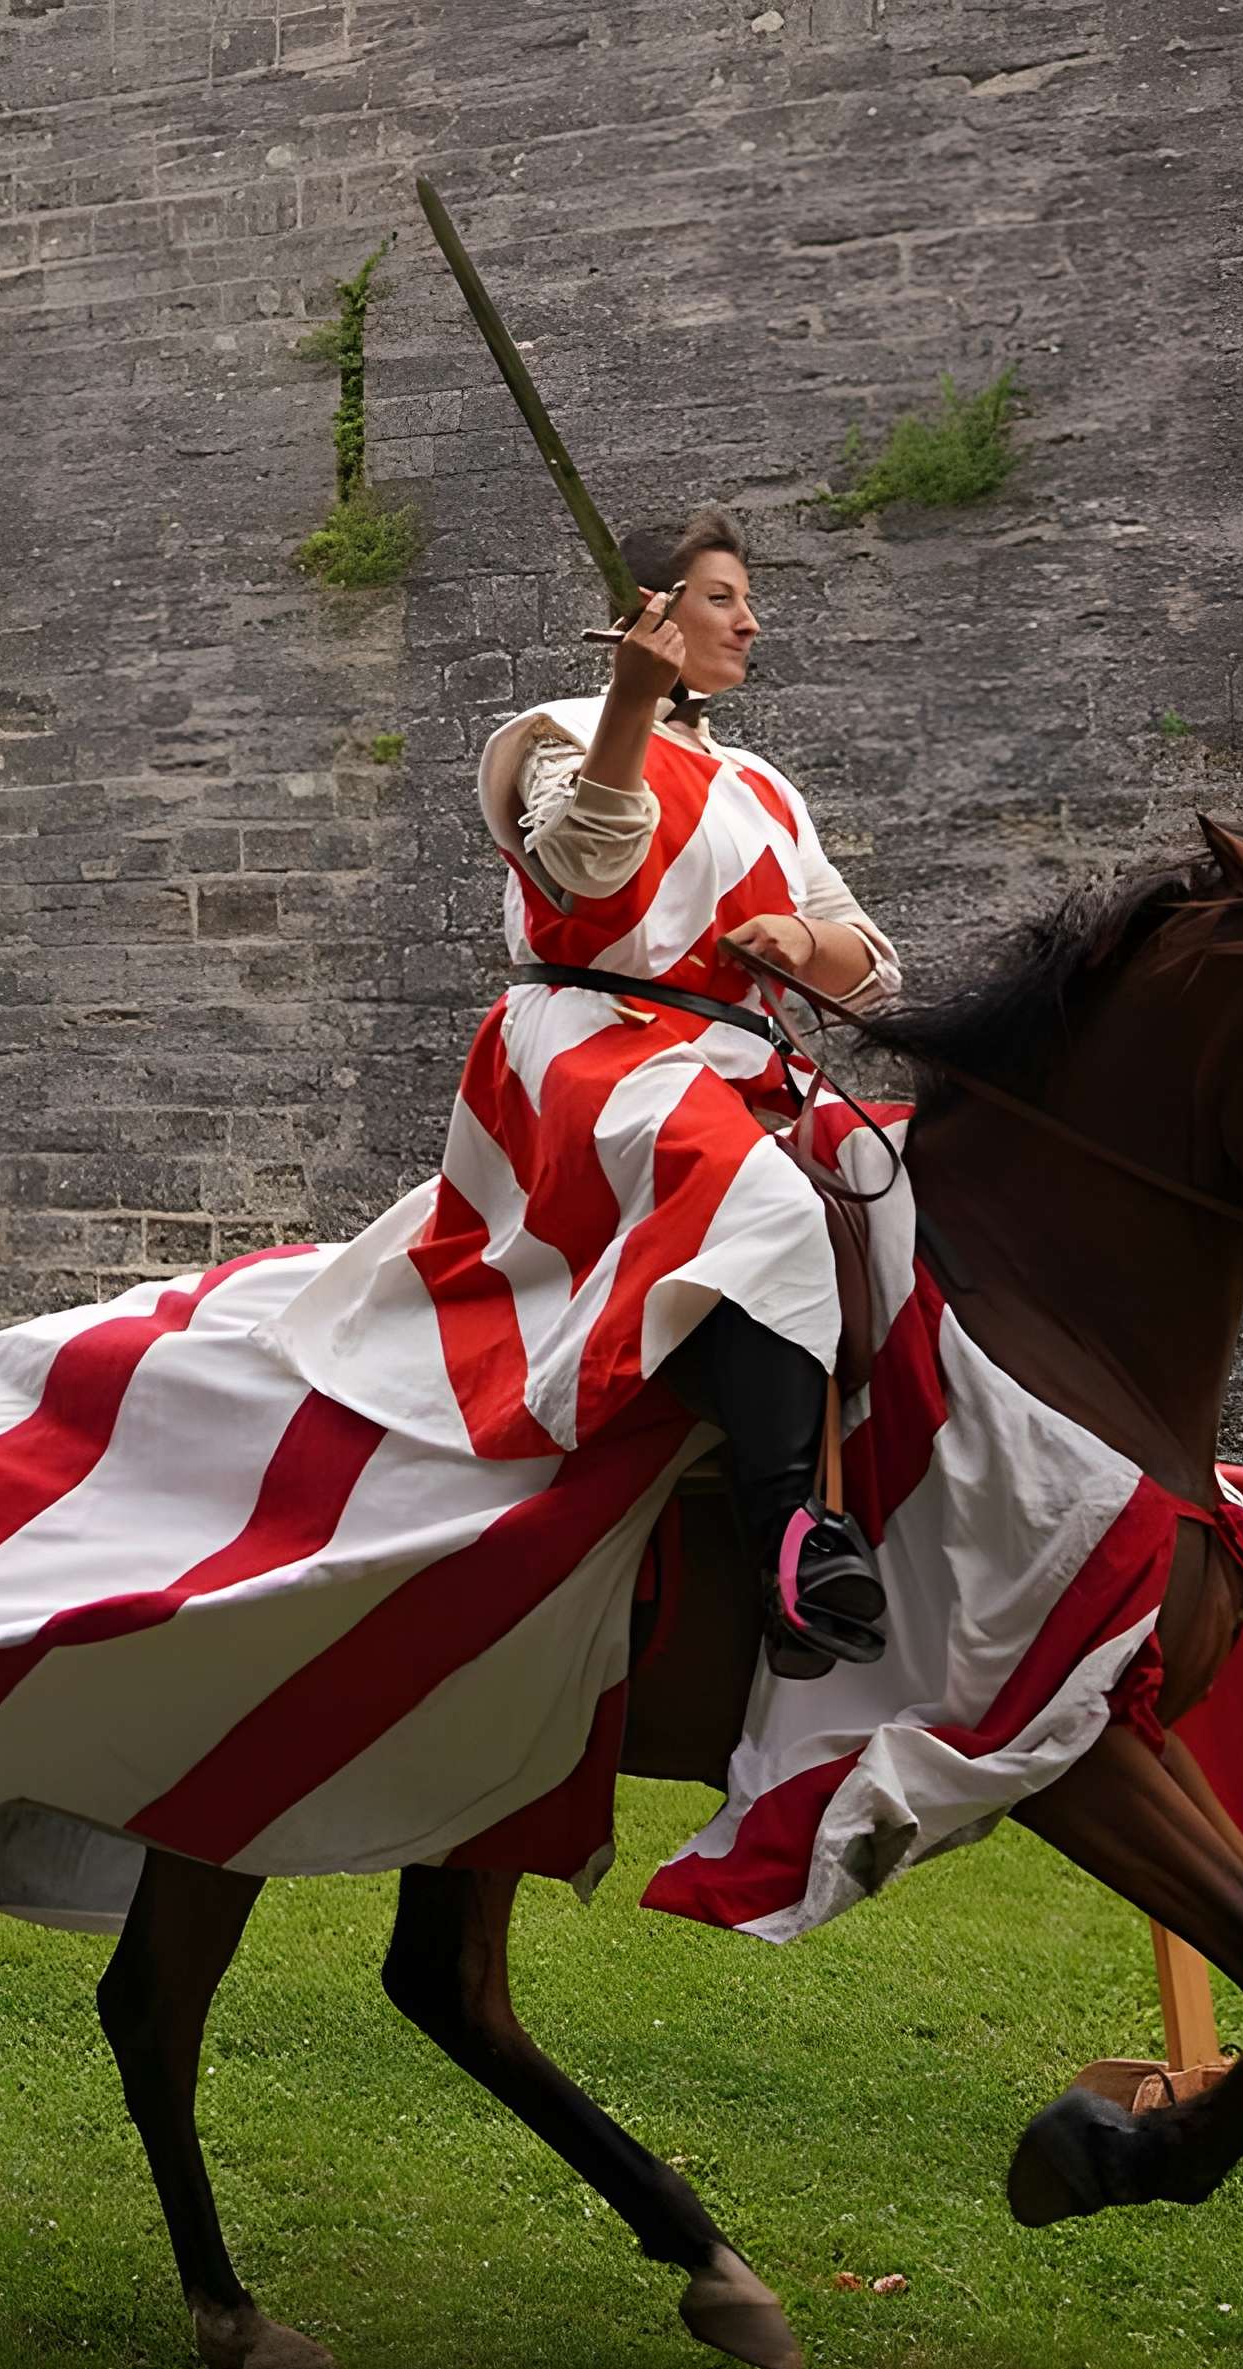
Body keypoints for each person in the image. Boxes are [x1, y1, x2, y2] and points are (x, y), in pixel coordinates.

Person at [277, 509, 904, 1678]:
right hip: (593, 1049)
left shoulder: (762, 782)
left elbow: (867, 952)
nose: (750, 618)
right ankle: (791, 1540)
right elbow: (582, 876)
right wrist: (627, 704)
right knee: (758, 1205)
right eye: (721, 596)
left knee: (910, 1176)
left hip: (747, 1060)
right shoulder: (555, 733)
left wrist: (802, 949)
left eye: (746, 598)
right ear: (652, 615)